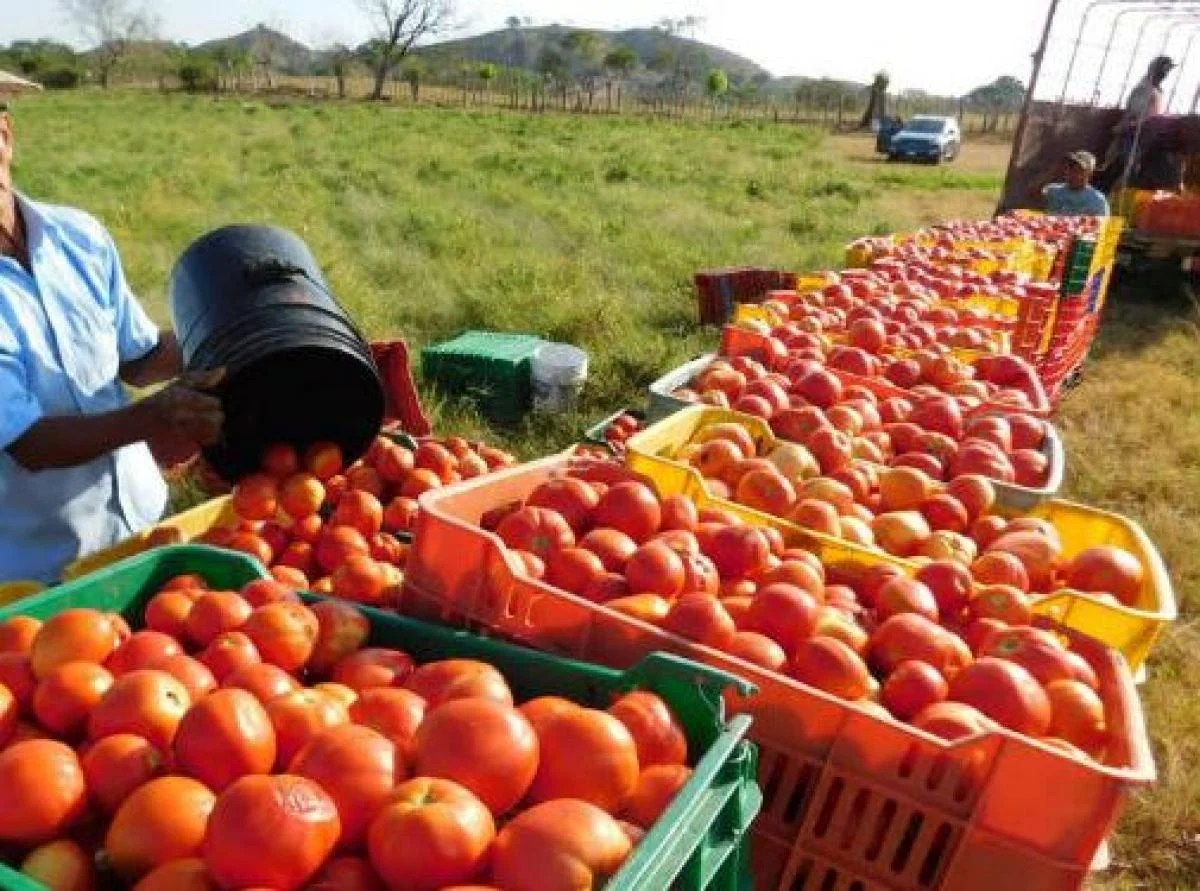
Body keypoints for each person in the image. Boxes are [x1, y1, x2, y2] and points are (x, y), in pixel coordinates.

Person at [0, 104, 224, 583]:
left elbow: (139, 359)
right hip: (45, 572)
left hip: (149, 525)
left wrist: (232, 333)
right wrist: (156, 415)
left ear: (5, 134)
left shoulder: (78, 236)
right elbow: (30, 443)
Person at [1043, 151, 1110, 217]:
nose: (1073, 174)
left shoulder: (1097, 201)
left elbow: (1102, 223)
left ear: (1089, 174)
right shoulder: (1052, 192)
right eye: (1071, 168)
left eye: (1078, 170)